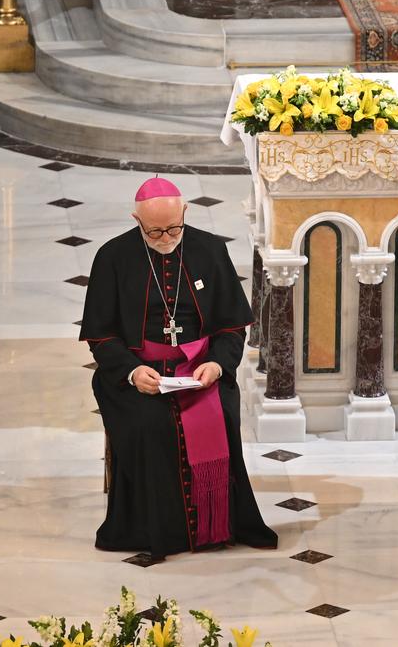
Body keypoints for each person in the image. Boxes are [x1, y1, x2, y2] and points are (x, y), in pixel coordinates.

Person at [80, 177, 276, 560]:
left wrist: (218, 364)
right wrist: (134, 372)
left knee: (215, 413)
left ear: (185, 214)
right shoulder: (112, 257)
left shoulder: (209, 250)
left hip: (200, 368)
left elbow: (232, 326)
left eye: (174, 228)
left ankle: (219, 525)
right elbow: (100, 336)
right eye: (154, 231)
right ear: (136, 220)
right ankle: (158, 530)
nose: (166, 237)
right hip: (136, 374)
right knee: (150, 424)